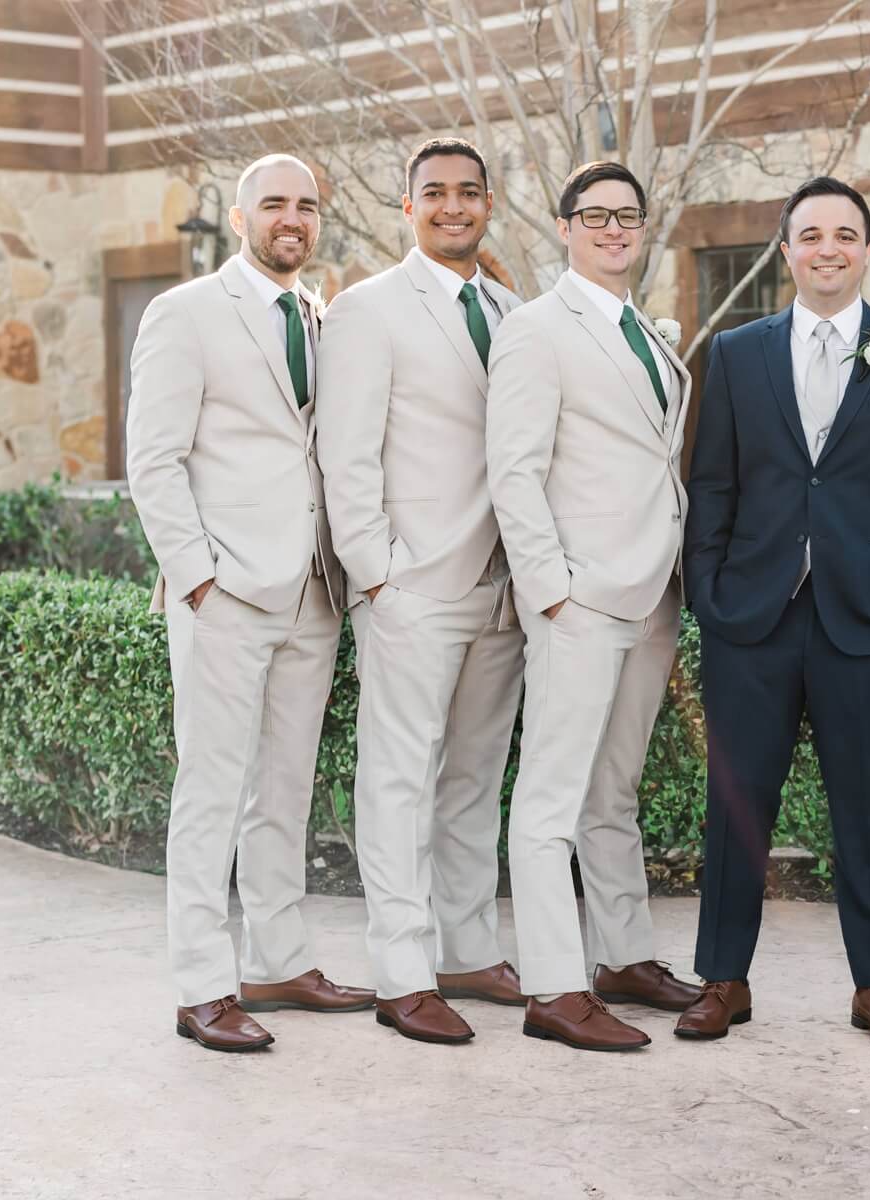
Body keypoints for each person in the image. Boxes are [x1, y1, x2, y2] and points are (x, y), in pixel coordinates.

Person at [678, 177, 870, 1052]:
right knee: (736, 809)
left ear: (868, 250)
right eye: (809, 235)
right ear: (786, 249)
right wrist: (710, 596)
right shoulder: (736, 353)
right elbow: (714, 486)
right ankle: (724, 979)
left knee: (867, 810)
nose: (827, 248)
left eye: (845, 234)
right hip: (752, 620)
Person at [127, 153, 372, 1052]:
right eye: (274, 204)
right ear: (240, 218)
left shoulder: (321, 314)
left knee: (284, 789)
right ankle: (200, 985)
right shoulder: (184, 313)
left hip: (313, 589)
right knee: (212, 790)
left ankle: (278, 958)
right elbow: (152, 460)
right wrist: (198, 578)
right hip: (226, 590)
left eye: (306, 206)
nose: (292, 220)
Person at [316, 136, 527, 1045]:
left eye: (469, 193)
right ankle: (402, 970)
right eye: (435, 193)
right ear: (409, 208)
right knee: (399, 779)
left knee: (476, 777)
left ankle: (468, 945)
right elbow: (346, 456)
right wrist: (380, 577)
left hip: (504, 587)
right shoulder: (368, 310)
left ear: (489, 206)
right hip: (413, 584)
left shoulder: (516, 310)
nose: (454, 206)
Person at [487, 161, 702, 1052]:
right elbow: (515, 470)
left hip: (654, 596)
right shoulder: (539, 329)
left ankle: (622, 955)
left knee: (612, 791)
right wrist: (553, 593)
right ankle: (554, 986)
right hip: (581, 597)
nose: (615, 229)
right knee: (549, 800)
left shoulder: (646, 334)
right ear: (566, 226)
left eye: (629, 217)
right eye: (597, 216)